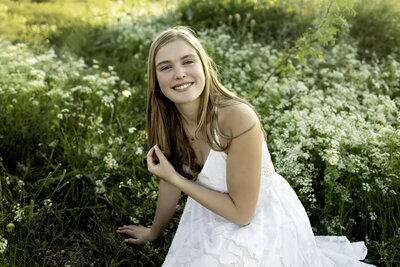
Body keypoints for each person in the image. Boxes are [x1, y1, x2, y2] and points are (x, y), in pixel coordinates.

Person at [117, 26, 373, 266]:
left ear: (204, 66)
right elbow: (169, 182)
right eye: (166, 67)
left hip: (260, 219)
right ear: (156, 80)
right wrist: (153, 232)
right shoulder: (169, 120)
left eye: (187, 61)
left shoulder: (236, 117)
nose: (179, 73)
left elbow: (242, 214)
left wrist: (177, 179)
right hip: (210, 211)